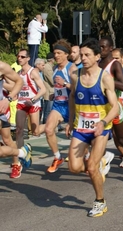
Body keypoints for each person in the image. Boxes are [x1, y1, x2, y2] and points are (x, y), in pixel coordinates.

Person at [66, 38, 119, 217]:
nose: (84, 58)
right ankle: (100, 163)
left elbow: (115, 106)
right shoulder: (75, 75)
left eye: (87, 55)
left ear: (97, 56)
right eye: (81, 55)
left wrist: (103, 122)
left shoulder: (105, 77)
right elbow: (72, 97)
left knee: (91, 167)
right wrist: (70, 120)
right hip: (80, 128)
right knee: (73, 167)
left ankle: (100, 202)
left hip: (100, 129)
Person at [99, 36, 123, 182]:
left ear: (110, 48)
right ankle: (105, 156)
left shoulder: (114, 65)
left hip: (115, 106)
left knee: (120, 137)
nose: (101, 49)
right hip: (100, 107)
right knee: (95, 136)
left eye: (103, 47)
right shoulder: (97, 63)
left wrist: (107, 82)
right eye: (99, 47)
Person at [43, 40, 77, 173]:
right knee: (48, 129)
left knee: (78, 138)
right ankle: (58, 157)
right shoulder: (55, 68)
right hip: (58, 105)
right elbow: (57, 86)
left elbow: (77, 88)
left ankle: (87, 158)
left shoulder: (72, 68)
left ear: (66, 54)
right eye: (55, 53)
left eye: (59, 53)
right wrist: (55, 93)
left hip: (72, 106)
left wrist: (65, 84)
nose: (56, 55)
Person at [0, 60, 32, 178]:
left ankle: (16, 164)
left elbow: (19, 81)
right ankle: (21, 153)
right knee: (7, 140)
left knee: (7, 140)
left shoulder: (2, 66)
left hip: (1, 110)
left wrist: (7, 99)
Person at [15, 49, 46, 165]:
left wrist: (32, 100)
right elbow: (18, 88)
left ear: (28, 58)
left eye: (22, 57)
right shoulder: (18, 73)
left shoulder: (33, 72)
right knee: (18, 130)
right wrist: (14, 95)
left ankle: (50, 125)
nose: (19, 58)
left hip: (33, 103)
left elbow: (43, 90)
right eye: (18, 56)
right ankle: (21, 155)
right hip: (22, 103)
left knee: (35, 131)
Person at [42, 53, 55, 124]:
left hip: (50, 92)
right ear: (52, 59)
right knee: (48, 111)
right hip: (49, 92)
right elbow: (52, 81)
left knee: (48, 110)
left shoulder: (50, 66)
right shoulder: (47, 67)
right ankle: (45, 125)